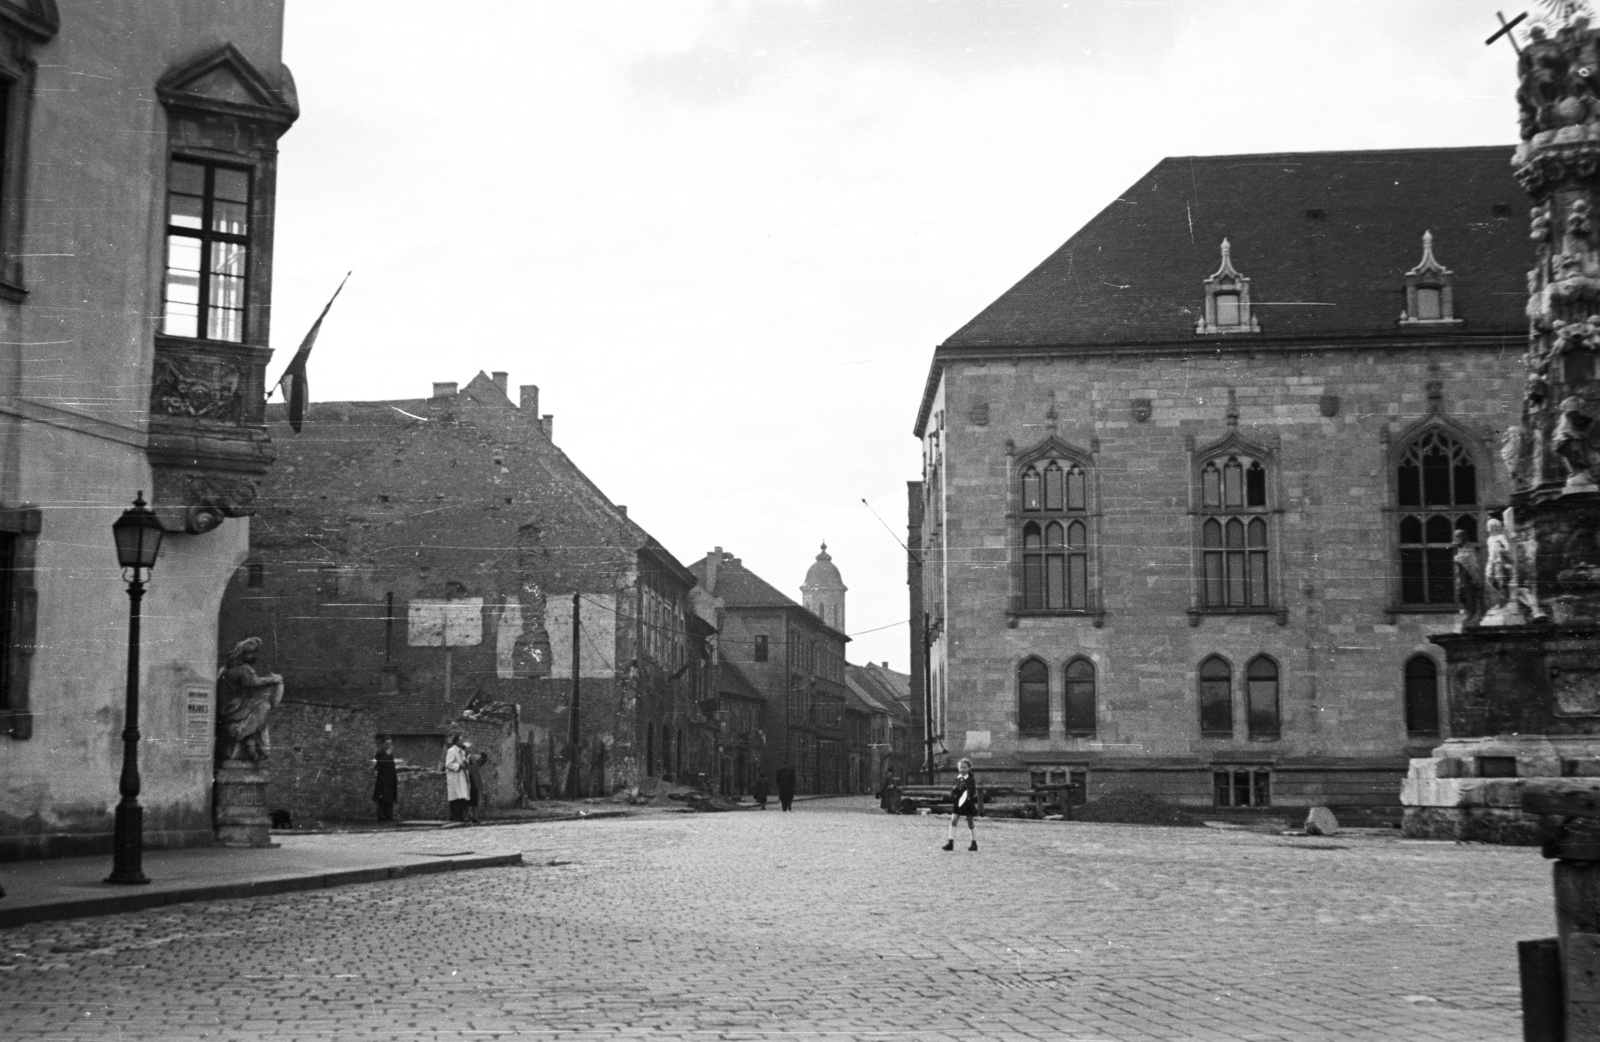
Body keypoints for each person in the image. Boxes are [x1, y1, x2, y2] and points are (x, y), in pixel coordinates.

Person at [216, 637, 284, 762]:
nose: (253, 656)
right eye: (250, 653)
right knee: (263, 707)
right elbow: (253, 682)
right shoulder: (242, 670)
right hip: (234, 709)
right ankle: (248, 737)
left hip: (229, 708)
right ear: (242, 654)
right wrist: (272, 679)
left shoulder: (226, 669)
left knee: (259, 706)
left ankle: (251, 740)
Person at [941, 758, 979, 851]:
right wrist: (954, 791)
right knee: (953, 821)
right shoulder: (956, 779)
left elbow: (972, 791)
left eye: (964, 767)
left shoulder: (970, 779)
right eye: (961, 767)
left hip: (967, 803)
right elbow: (953, 790)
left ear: (968, 768)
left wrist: (965, 788)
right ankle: (950, 842)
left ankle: (974, 842)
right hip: (958, 803)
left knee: (970, 823)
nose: (962, 769)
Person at [444, 734, 470, 823]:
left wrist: (465, 764)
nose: (462, 742)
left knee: (461, 795)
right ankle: (455, 817)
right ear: (456, 741)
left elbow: (463, 762)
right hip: (454, 777)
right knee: (455, 796)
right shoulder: (451, 751)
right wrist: (459, 766)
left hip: (461, 776)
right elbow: (448, 764)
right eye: (461, 740)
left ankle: (461, 816)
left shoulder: (462, 751)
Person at [373, 737, 399, 822]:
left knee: (390, 797)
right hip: (383, 778)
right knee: (382, 797)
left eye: (390, 743)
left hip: (390, 778)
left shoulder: (390, 753)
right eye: (387, 743)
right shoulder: (380, 753)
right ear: (384, 744)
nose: (389, 745)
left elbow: (392, 765)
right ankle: (381, 816)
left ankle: (389, 815)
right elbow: (382, 763)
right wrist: (387, 755)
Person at [464, 743, 486, 824]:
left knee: (475, 797)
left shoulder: (473, 757)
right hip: (465, 779)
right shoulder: (462, 757)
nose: (468, 749)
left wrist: (484, 755)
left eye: (469, 748)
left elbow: (481, 761)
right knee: (466, 798)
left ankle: (474, 816)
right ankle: (466, 816)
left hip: (472, 779)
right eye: (467, 748)